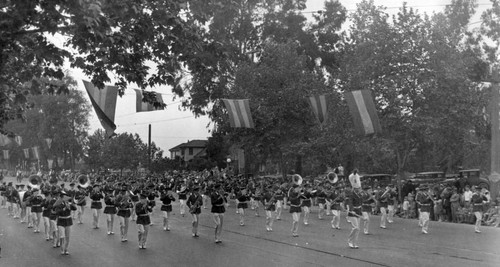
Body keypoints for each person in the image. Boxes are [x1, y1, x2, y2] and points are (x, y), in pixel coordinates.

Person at [53, 191, 77, 255]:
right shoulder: (59, 204)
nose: (66, 197)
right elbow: (57, 212)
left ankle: (66, 249)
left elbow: (75, 208)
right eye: (65, 196)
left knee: (67, 236)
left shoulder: (69, 204)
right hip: (61, 221)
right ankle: (62, 249)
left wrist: (71, 205)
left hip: (68, 221)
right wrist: (63, 208)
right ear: (62, 198)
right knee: (62, 236)